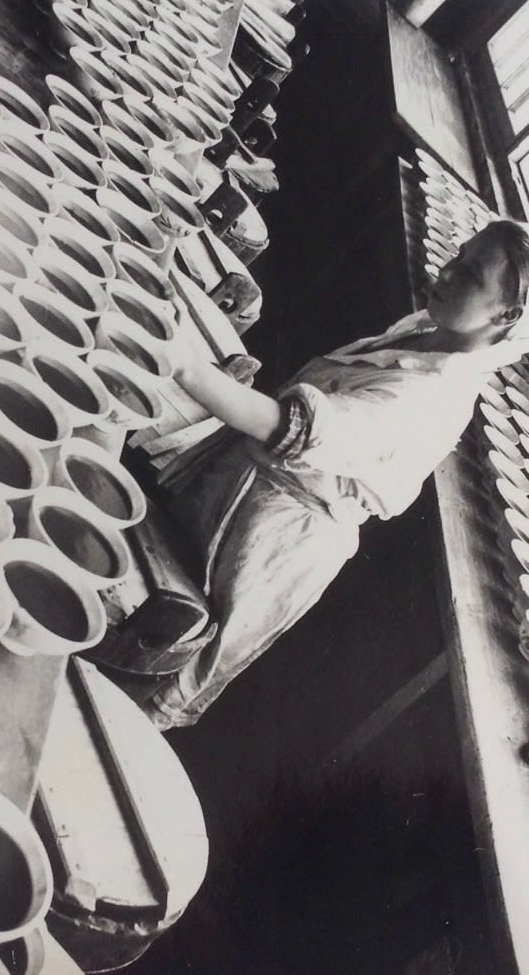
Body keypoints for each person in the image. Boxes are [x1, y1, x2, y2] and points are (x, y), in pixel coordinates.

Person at [142, 219, 529, 730]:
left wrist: (186, 368)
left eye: (472, 273)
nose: (449, 270)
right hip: (245, 486)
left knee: (161, 661)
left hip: (272, 538)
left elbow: (297, 429)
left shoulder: (435, 397)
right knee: (145, 590)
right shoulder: (429, 331)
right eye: (458, 255)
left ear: (507, 314)